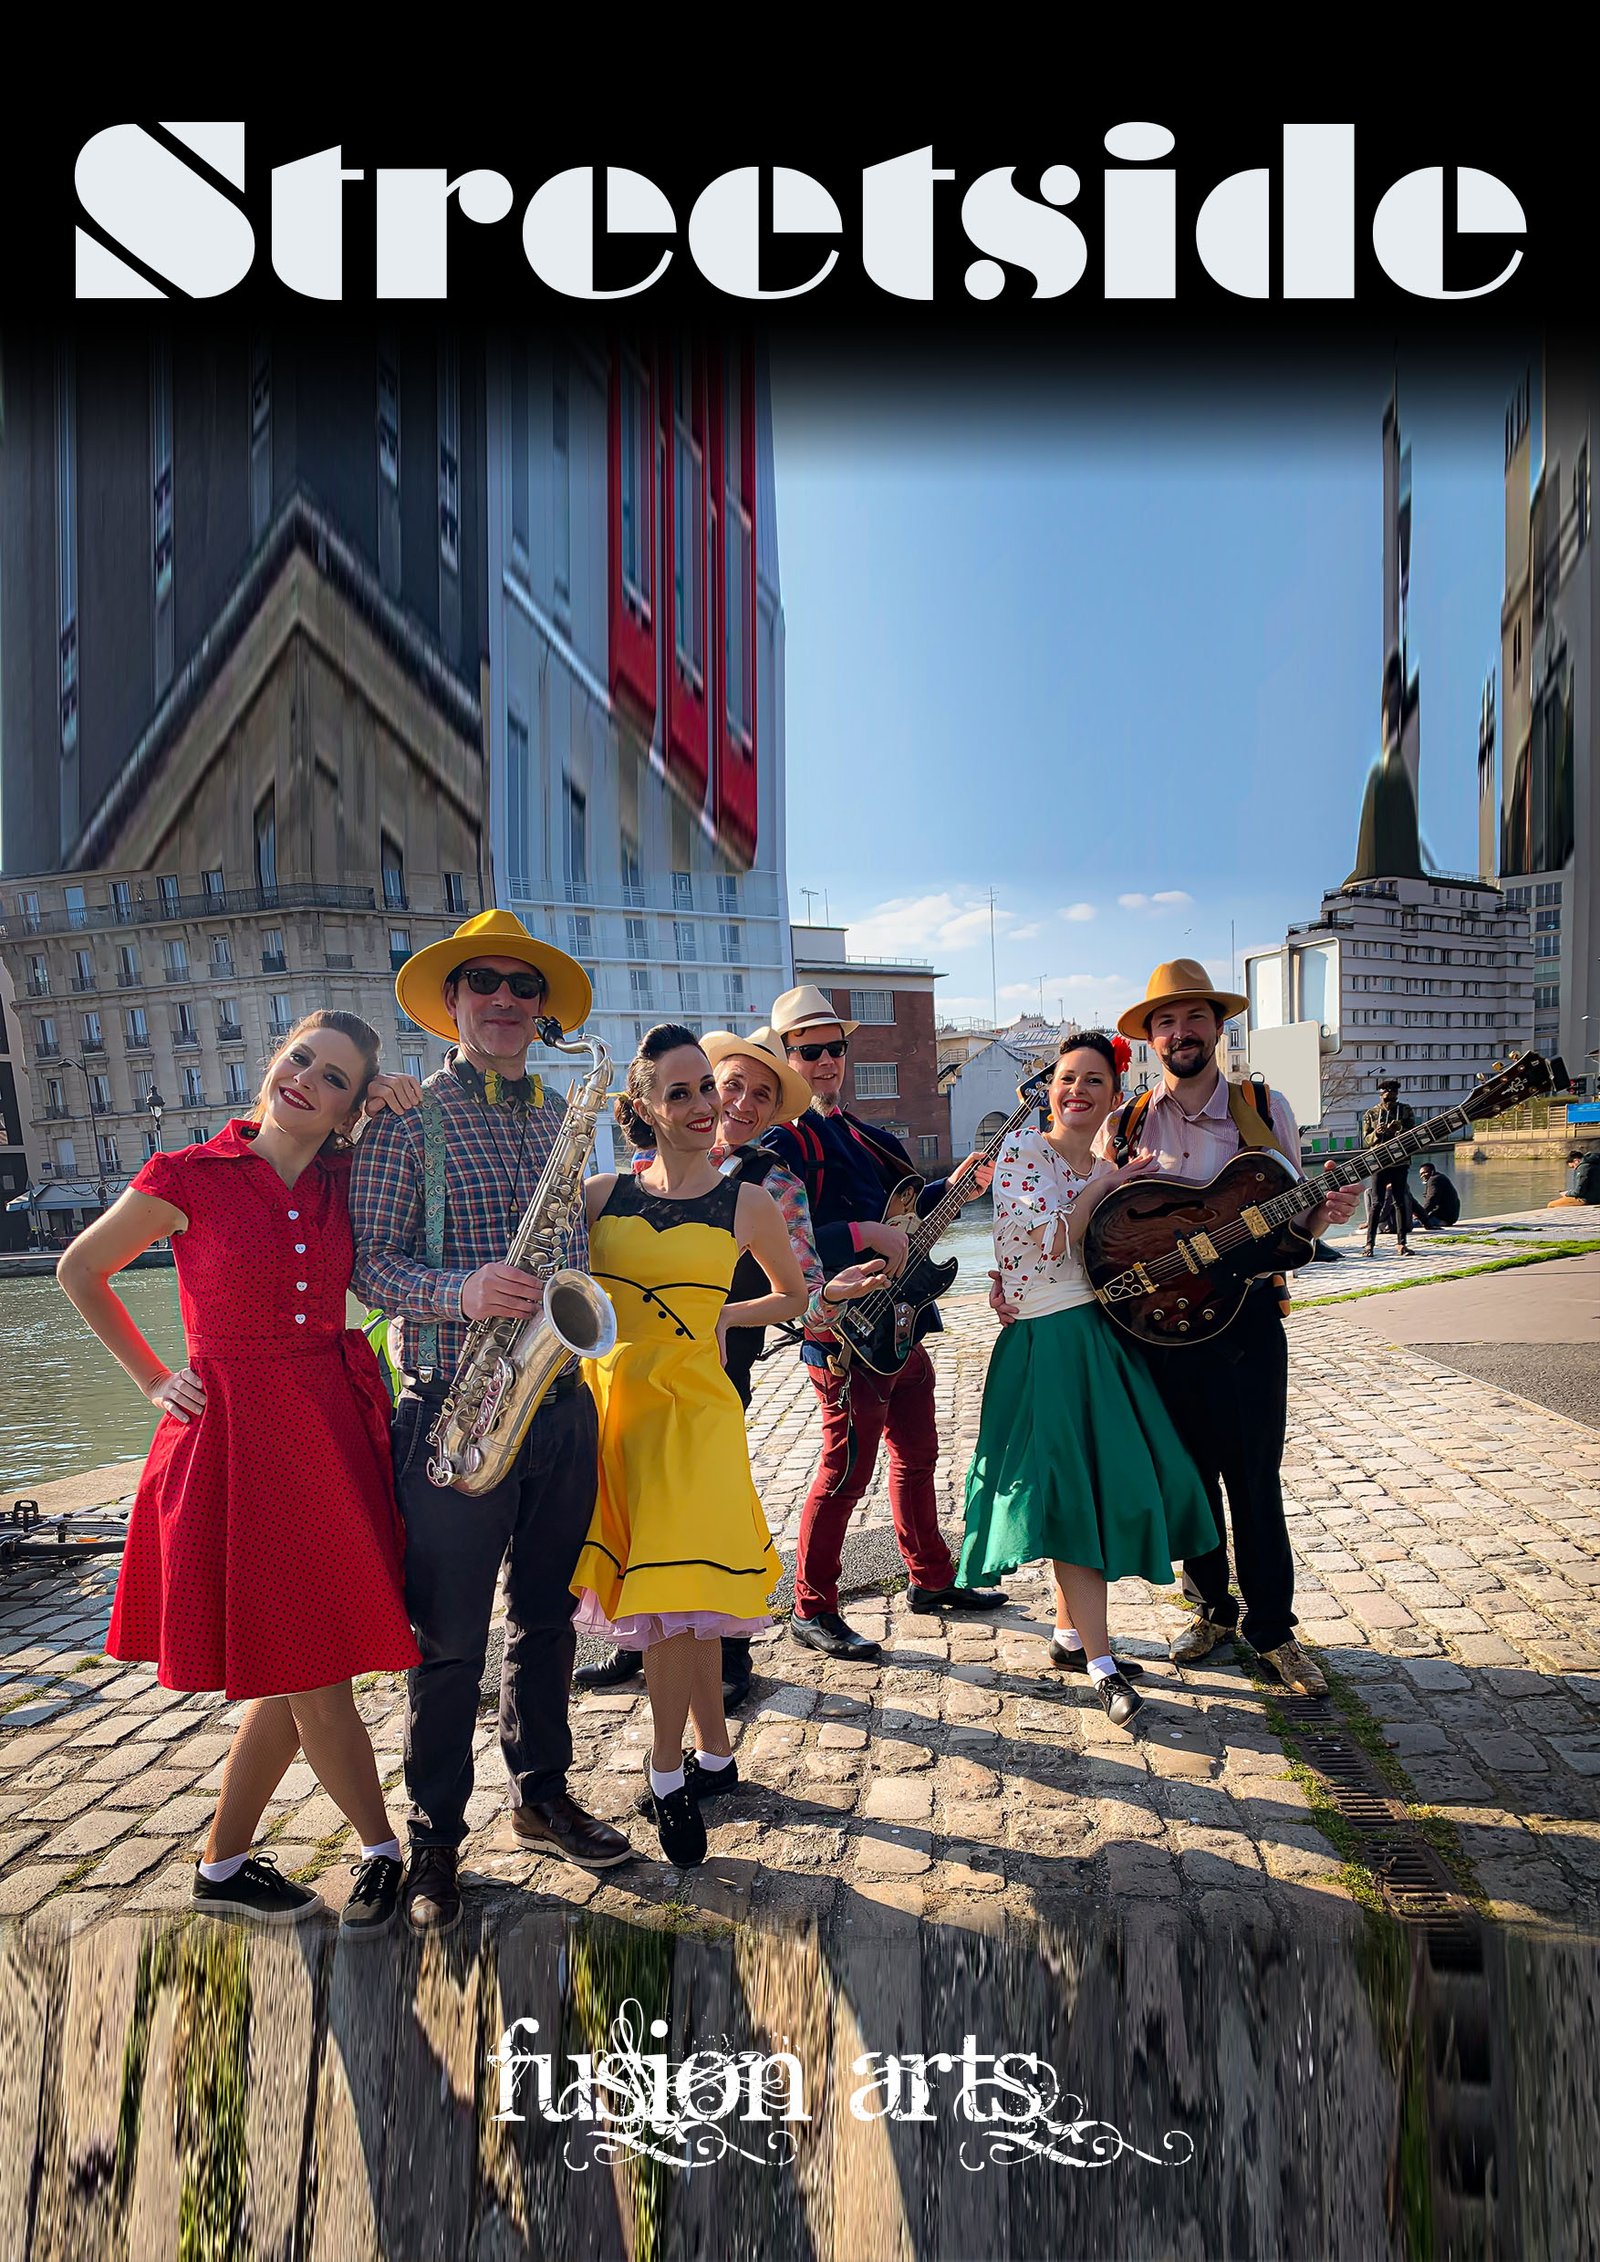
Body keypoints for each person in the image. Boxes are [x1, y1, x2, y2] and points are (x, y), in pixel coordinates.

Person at [59, 1013, 425, 1931]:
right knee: (316, 1672)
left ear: (349, 1109)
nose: (305, 1078)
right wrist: (153, 1378)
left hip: (329, 1429)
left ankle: (222, 1867)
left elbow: (401, 1193)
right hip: (234, 1441)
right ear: (276, 1060)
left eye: (336, 1077)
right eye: (301, 1057)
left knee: (295, 1667)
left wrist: (391, 1109)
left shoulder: (351, 1173)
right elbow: (82, 1267)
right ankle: (383, 1851)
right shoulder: (187, 1175)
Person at [350, 910, 631, 1935]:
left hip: (553, 1402)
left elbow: (569, 1242)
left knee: (547, 1620)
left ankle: (541, 1793)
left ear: (541, 1010)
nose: (506, 1001)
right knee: (450, 1645)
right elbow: (365, 1264)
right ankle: (433, 1842)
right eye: (485, 984)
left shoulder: (561, 1110)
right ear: (453, 1004)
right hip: (453, 1410)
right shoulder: (402, 1117)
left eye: (524, 987)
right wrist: (459, 1292)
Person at [572, 1027, 885, 1704]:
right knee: (630, 1509)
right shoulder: (622, 1183)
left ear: (773, 1112)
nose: (737, 1102)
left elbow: (802, 1286)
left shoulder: (771, 1184)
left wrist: (728, 1316)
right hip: (625, 1384)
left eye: (759, 1094)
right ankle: (632, 1643)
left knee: (708, 1516)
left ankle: (731, 1657)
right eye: (729, 1083)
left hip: (710, 1374)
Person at [570, 1025, 807, 1867]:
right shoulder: (599, 1199)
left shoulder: (748, 1201)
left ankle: (667, 1772)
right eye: (681, 1092)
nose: (705, 1105)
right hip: (620, 1424)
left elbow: (793, 1298)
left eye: (707, 1087)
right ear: (641, 1107)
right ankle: (717, 1755)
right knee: (685, 1609)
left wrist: (723, 1316)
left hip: (701, 1423)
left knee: (678, 1600)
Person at [1091, 961, 1360, 1697]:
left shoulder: (1262, 1107)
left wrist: (1324, 1212)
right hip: (1158, 1331)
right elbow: (1103, 1232)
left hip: (1245, 1324)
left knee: (1254, 1480)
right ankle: (1212, 1608)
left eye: (1194, 1019)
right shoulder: (1126, 1122)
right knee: (1190, 1481)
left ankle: (1274, 1631)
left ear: (1218, 1027)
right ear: (1151, 1039)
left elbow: (1292, 1220)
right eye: (1165, 1023)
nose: (1181, 1033)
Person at [960, 1033, 1219, 1730]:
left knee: (1097, 1486)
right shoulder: (1023, 1153)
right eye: (1067, 1079)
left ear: (1113, 1094)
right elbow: (1050, 1241)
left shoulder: (1103, 1163)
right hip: (1047, 1342)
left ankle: (1073, 1638)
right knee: (1070, 1494)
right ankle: (1103, 1666)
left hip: (1099, 1339)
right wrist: (1106, 1182)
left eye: (1093, 1082)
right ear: (1049, 1090)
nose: (1077, 1090)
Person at [763, 985, 1005, 1661]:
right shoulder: (781, 1142)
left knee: (918, 1457)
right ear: (786, 1058)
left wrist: (956, 1183)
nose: (826, 1062)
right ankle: (811, 1607)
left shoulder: (865, 1134)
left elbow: (905, 1215)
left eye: (834, 1048)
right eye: (809, 1051)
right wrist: (862, 1231)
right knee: (844, 1472)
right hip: (842, 1335)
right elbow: (783, 1238)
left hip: (901, 1323)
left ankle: (930, 1579)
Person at [1360, 1077, 1416, 1255]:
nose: (1390, 1100)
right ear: (1380, 1095)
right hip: (1379, 1162)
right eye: (1387, 1096)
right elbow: (1366, 1141)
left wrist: (1400, 1130)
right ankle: (1369, 1244)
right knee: (1376, 1203)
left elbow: (1414, 1135)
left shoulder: (1405, 1110)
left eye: (1393, 1096)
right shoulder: (1371, 1114)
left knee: (1399, 1201)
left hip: (1400, 1162)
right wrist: (1377, 1133)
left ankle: (1401, 1243)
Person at [1412, 1160, 1461, 1229]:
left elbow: (1431, 1200)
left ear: (1432, 1171)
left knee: (1410, 1224)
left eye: (1424, 1173)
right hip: (1450, 1217)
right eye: (1421, 1174)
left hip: (1442, 1218)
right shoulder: (1440, 1178)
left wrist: (1420, 1214)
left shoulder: (1434, 1180)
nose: (1422, 1176)